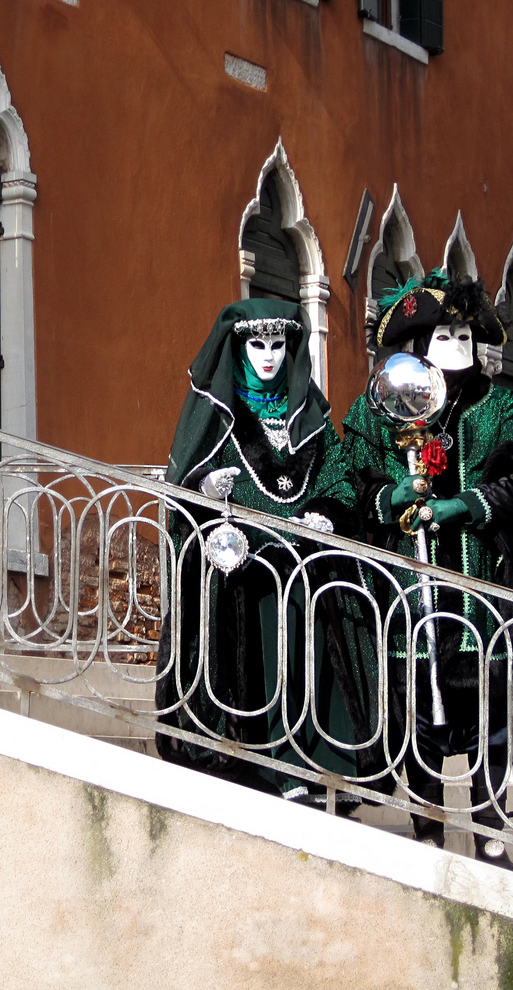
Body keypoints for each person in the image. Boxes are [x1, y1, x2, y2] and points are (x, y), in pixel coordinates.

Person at [341, 271, 513, 868]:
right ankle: (429, 830)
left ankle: (492, 833)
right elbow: (353, 480)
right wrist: (391, 497)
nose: (457, 346)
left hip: (483, 592)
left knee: (489, 710)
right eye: (443, 335)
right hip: (408, 598)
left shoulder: (503, 407)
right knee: (419, 711)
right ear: (418, 345)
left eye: (465, 335)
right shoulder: (380, 409)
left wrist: (465, 505)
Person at [156, 299, 381, 807]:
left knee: (314, 659)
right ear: (238, 348)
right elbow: (183, 486)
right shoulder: (217, 417)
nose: (269, 357)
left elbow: (340, 481)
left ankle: (324, 763)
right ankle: (265, 764)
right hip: (242, 577)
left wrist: (327, 514)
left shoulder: (309, 417)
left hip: (306, 572)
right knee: (259, 660)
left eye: (279, 345)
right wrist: (203, 488)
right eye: (257, 344)